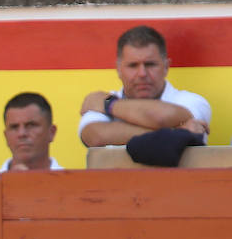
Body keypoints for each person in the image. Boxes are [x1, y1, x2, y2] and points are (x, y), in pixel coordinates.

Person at [78, 25, 210, 148]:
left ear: (166, 67)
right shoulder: (99, 103)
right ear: (118, 69)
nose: (142, 74)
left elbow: (161, 117)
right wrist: (175, 133)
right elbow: (96, 137)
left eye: (150, 64)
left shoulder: (194, 101)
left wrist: (110, 105)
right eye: (133, 65)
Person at [1, 92, 62, 171]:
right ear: (6, 136)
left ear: (52, 132)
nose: (22, 133)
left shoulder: (73, 182)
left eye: (31, 125)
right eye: (14, 127)